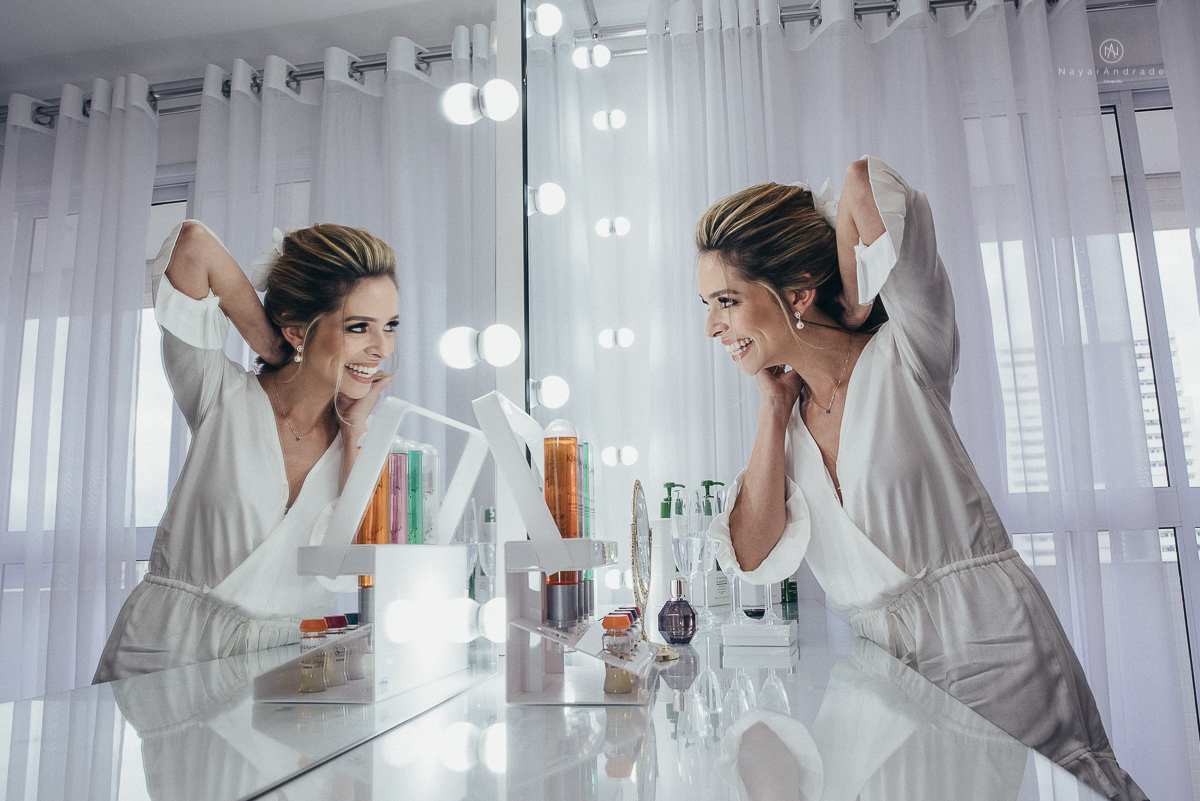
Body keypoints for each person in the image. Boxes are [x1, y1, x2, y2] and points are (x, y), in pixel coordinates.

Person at [701, 156, 1145, 800]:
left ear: (796, 293)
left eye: (726, 301)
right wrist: (772, 413)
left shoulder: (907, 348)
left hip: (990, 646)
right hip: (884, 679)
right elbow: (750, 553)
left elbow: (866, 182)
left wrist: (855, 299)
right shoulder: (789, 427)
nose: (712, 325)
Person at [94, 220, 397, 682]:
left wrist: (354, 435)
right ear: (300, 331)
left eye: (389, 327)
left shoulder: (366, 444)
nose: (380, 349)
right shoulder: (222, 394)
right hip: (166, 652)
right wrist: (271, 341)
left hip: (282, 672)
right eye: (359, 327)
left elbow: (351, 570)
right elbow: (193, 245)